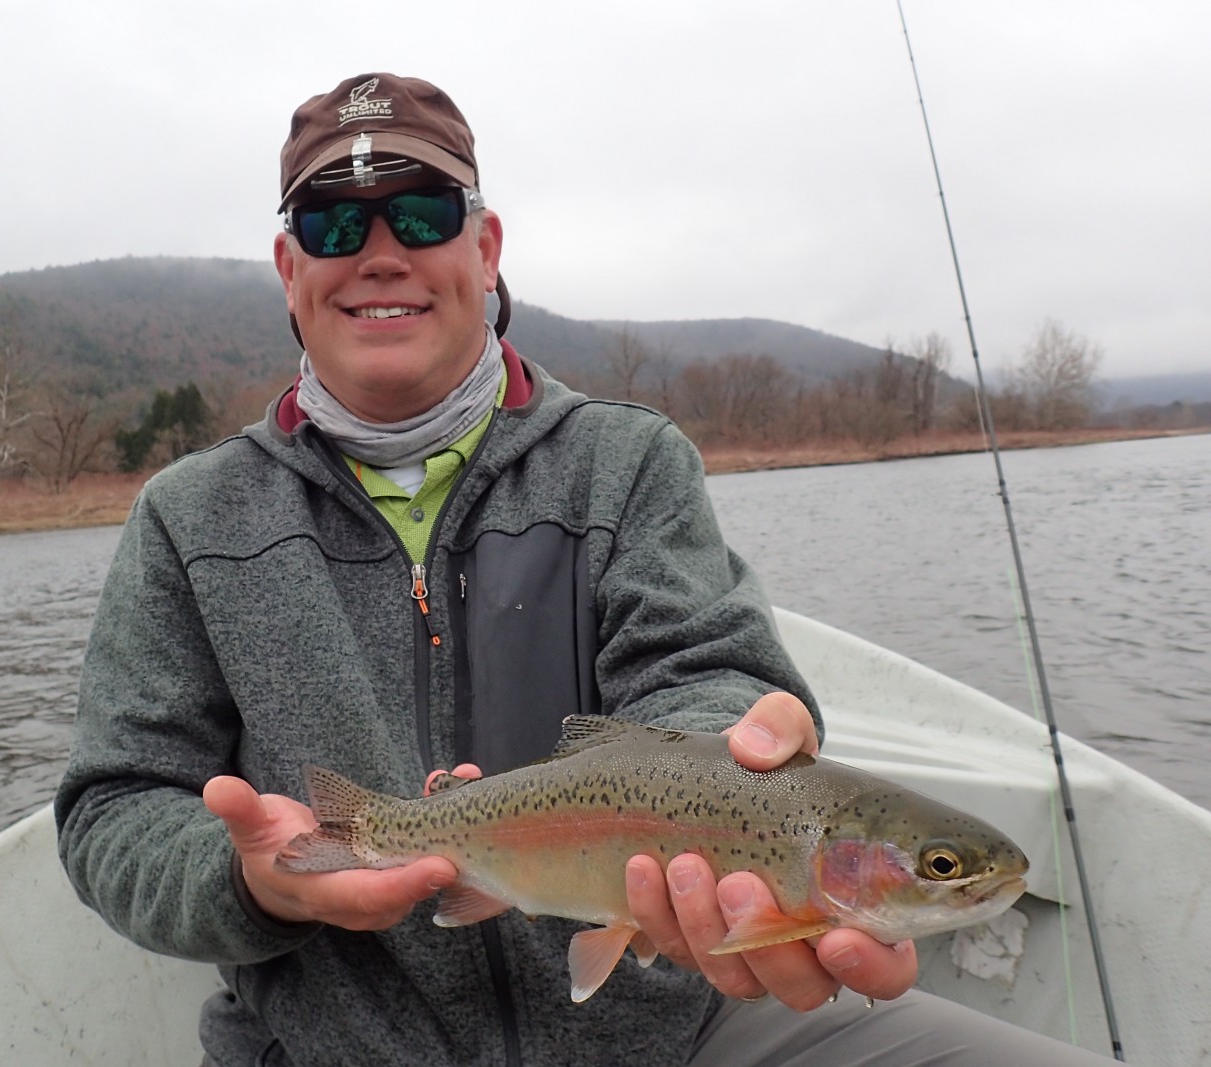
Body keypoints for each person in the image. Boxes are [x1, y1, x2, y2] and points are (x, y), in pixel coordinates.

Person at [56, 73, 1111, 1066]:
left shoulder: (625, 460)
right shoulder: (190, 518)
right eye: (334, 222)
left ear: (486, 249)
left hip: (682, 1023)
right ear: (292, 271)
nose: (380, 252)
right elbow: (113, 809)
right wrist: (255, 882)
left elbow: (700, 671)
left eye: (421, 214)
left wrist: (736, 741)